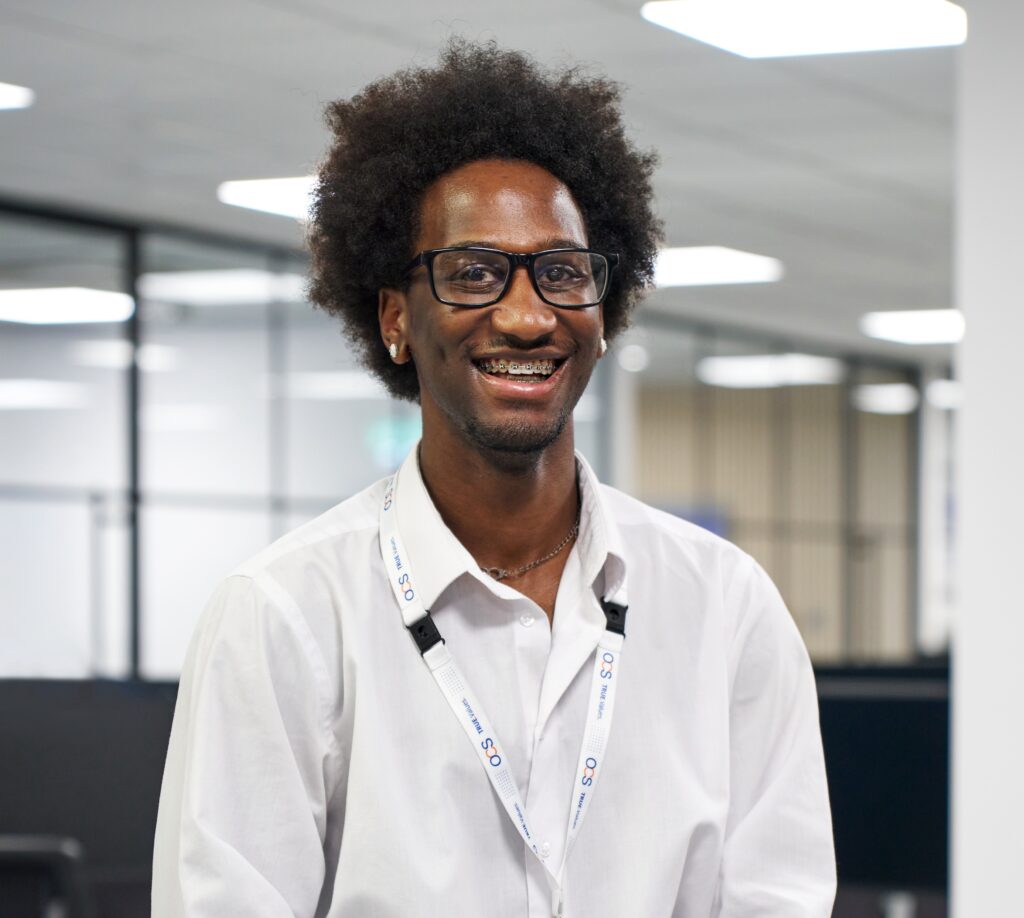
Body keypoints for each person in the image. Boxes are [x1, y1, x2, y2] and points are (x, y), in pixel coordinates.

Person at [152, 40, 836, 918]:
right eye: (472, 272)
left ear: (603, 310)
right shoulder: (285, 616)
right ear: (396, 317)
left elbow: (779, 897)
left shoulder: (727, 608)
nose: (525, 314)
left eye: (561, 272)